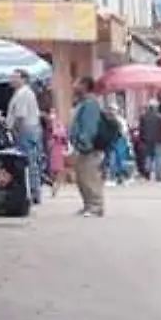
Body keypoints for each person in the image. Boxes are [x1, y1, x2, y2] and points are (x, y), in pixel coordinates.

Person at [67, 75, 107, 218]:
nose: (73, 86)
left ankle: (96, 205)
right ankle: (88, 205)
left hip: (89, 147)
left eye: (76, 83)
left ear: (84, 85)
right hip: (82, 146)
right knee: (82, 176)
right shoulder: (82, 102)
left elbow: (89, 126)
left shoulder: (90, 103)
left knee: (90, 176)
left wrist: (84, 143)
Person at [6, 70, 43, 205]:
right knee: (31, 161)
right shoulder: (24, 93)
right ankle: (34, 191)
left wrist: (14, 131)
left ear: (23, 79)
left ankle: (33, 191)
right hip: (31, 129)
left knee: (27, 161)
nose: (11, 80)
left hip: (25, 130)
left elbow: (20, 116)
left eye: (15, 77)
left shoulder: (23, 94)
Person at [139, 101, 161, 182]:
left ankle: (147, 174)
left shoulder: (143, 116)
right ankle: (159, 176)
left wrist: (142, 139)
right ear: (155, 107)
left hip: (147, 140)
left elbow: (141, 129)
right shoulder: (160, 117)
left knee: (148, 157)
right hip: (159, 140)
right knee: (159, 157)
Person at [46, 109, 69, 197]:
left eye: (54, 112)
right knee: (52, 169)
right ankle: (53, 185)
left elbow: (63, 135)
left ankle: (56, 186)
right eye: (51, 112)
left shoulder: (59, 124)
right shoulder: (49, 125)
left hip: (58, 148)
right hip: (53, 149)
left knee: (59, 169)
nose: (52, 114)